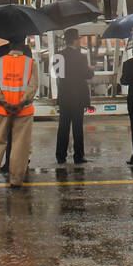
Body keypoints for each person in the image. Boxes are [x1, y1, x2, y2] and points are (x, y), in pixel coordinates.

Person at [0, 38, 38, 188]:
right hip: (23, 111)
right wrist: (21, 103)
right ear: (23, 45)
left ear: (10, 45)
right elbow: (33, 86)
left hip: (3, 110)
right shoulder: (30, 63)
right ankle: (15, 180)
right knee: (19, 145)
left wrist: (3, 102)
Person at [55, 28, 93, 164]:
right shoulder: (81, 57)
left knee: (63, 127)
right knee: (77, 127)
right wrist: (89, 69)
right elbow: (88, 75)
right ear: (75, 40)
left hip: (65, 95)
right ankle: (78, 156)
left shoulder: (58, 56)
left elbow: (58, 74)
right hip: (78, 96)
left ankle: (60, 155)